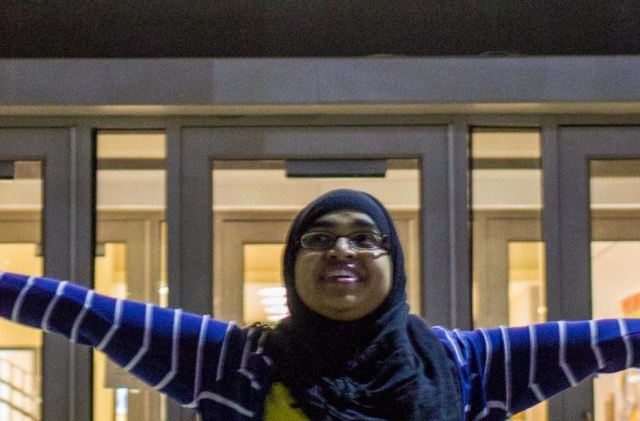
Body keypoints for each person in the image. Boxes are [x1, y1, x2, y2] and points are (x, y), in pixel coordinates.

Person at [0, 188, 639, 420]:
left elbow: (611, 339)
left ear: (395, 263)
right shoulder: (233, 361)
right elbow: (84, 312)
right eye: (320, 237)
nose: (343, 250)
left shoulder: (464, 364)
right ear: (292, 262)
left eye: (366, 239)